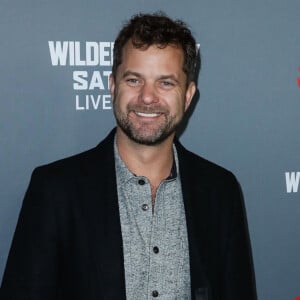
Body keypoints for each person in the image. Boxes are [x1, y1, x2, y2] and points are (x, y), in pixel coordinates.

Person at [0, 12, 257, 300]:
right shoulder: (55, 190)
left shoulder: (220, 191)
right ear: (113, 86)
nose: (147, 97)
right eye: (134, 80)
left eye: (166, 83)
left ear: (188, 96)